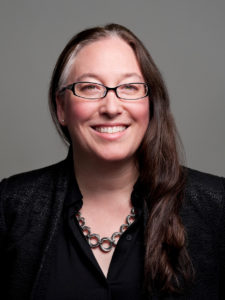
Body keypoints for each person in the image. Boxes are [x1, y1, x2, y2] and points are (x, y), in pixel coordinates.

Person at [0, 23, 224, 300]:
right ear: (61, 108)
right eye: (90, 87)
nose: (111, 107)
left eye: (130, 87)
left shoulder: (217, 206)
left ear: (151, 104)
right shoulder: (9, 206)